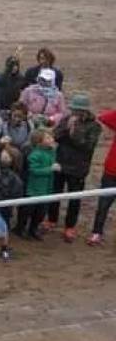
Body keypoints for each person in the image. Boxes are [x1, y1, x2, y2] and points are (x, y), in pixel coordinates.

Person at [46, 94, 101, 242]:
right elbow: (55, 136)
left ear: (85, 111)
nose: (75, 113)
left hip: (78, 167)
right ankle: (51, 219)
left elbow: (87, 146)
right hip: (61, 163)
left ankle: (70, 226)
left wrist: (73, 133)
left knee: (74, 199)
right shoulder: (66, 119)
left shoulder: (94, 126)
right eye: (74, 110)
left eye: (78, 110)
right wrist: (65, 129)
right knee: (55, 193)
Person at [15, 129, 58, 241]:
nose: (52, 140)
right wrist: (50, 169)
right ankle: (21, 228)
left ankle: (33, 229)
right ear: (39, 141)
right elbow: (33, 170)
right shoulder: (35, 154)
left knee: (40, 212)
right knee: (27, 211)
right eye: (48, 138)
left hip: (46, 188)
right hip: (33, 189)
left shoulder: (51, 152)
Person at [88, 108, 116, 246]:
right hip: (112, 171)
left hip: (111, 169)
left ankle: (96, 233)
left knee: (103, 204)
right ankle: (96, 232)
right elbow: (104, 118)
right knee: (103, 204)